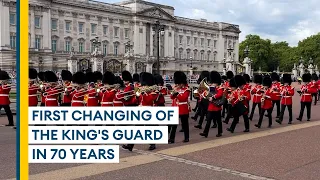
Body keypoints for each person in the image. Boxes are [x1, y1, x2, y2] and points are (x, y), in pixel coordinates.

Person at [122, 72, 158, 151]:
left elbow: (149, 100)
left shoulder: (153, 92)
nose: (144, 86)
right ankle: (130, 145)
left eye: (145, 85)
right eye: (143, 85)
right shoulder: (141, 91)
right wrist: (137, 96)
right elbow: (136, 100)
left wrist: (143, 93)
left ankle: (153, 144)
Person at [199, 71, 224, 137]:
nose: (213, 83)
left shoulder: (220, 88)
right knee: (209, 120)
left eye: (214, 82)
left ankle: (220, 132)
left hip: (217, 106)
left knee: (219, 121)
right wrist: (205, 94)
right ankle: (205, 133)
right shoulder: (210, 87)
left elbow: (220, 94)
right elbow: (206, 93)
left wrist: (213, 97)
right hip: (211, 106)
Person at [168, 71, 190, 143]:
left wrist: (176, 93)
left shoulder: (187, 89)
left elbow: (183, 98)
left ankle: (187, 137)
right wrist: (172, 91)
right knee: (174, 125)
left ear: (182, 83)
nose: (177, 85)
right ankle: (171, 139)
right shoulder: (176, 88)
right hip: (175, 108)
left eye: (178, 83)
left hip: (183, 108)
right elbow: (172, 97)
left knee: (185, 124)